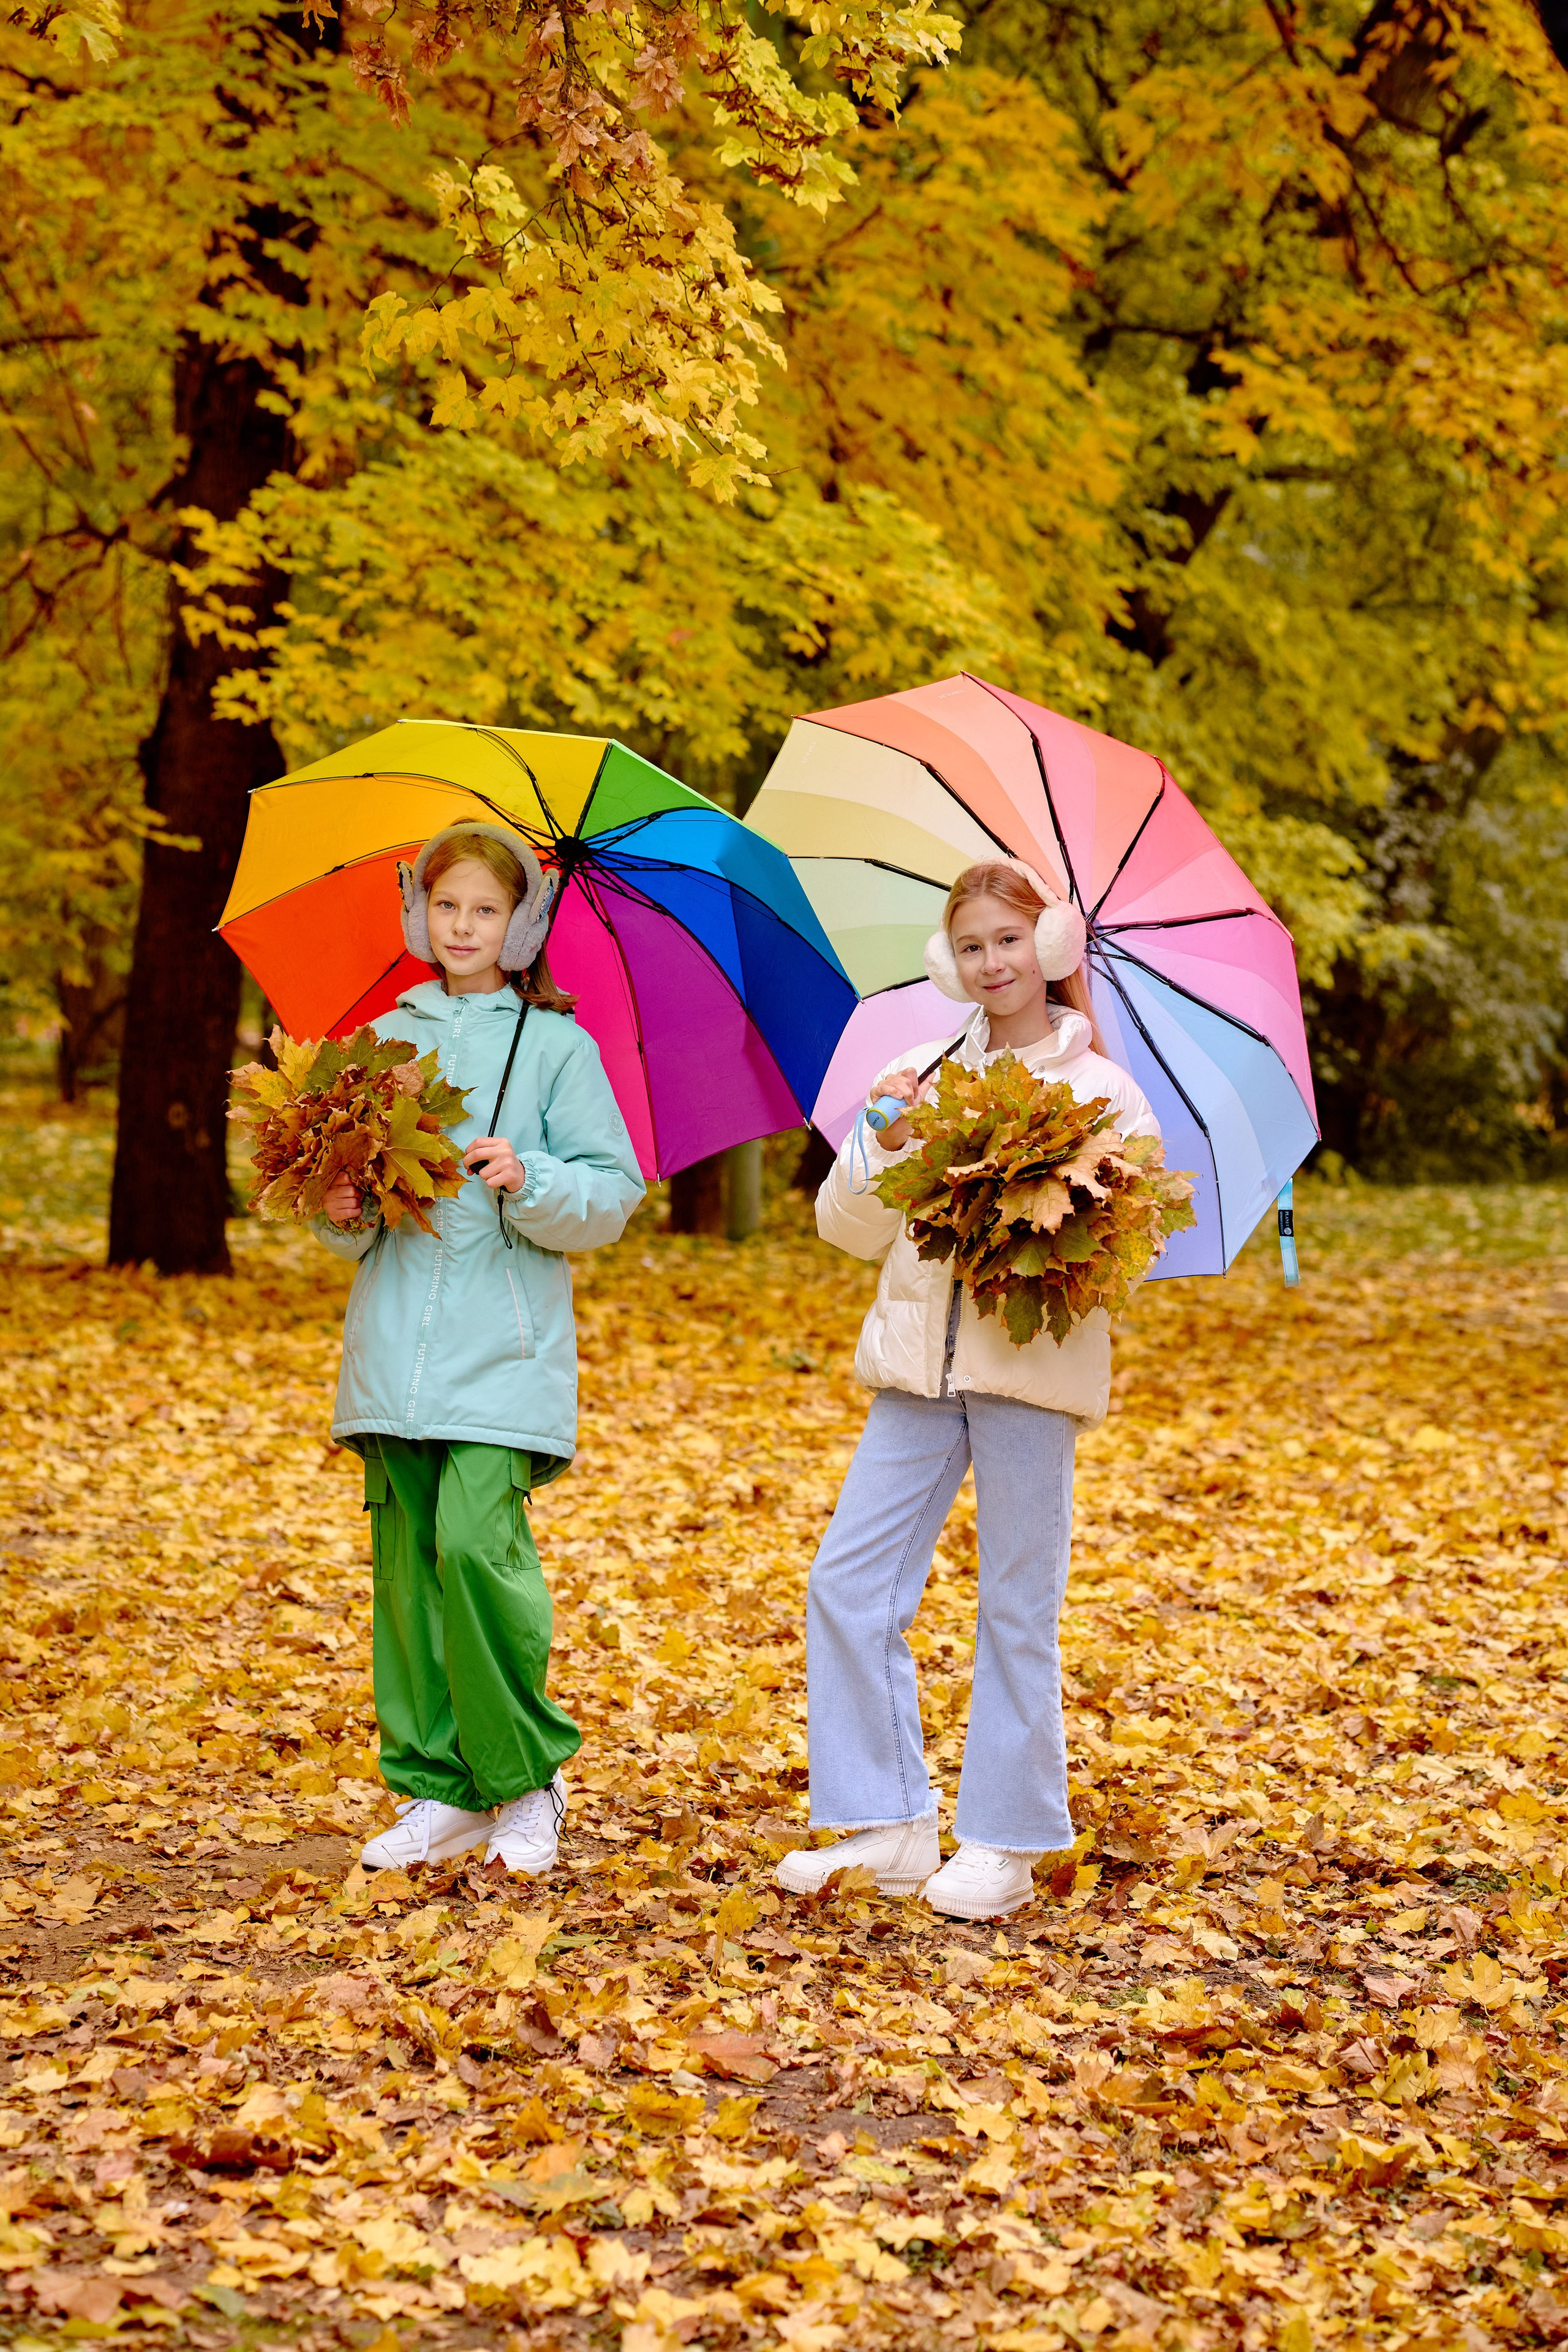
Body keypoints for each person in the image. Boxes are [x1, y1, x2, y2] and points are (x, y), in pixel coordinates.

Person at [776, 858, 1160, 1920]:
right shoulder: (921, 1071)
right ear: (949, 961)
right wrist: (883, 1139)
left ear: (1049, 950)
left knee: (1015, 1606)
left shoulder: (1102, 1095)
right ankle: (890, 1821)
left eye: (1009, 940)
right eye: (972, 944)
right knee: (847, 1583)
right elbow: (844, 1228)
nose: (992, 962)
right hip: (915, 1367)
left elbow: (1122, 1252)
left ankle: (1008, 1837)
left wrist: (1024, 1215)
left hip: (1028, 1378)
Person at [316, 821, 644, 1877]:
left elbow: (612, 1195)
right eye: (447, 907)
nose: (464, 928)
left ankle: (524, 1778)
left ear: (523, 925)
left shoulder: (556, 1046)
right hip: (392, 1350)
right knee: (409, 1576)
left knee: (476, 1550)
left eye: (486, 911)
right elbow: (347, 1221)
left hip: (504, 1352)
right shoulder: (381, 1042)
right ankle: (436, 1791)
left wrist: (531, 1175)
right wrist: (340, 1204)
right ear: (419, 914)